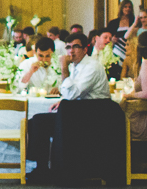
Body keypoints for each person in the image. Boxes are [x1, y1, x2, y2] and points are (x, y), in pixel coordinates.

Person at [25, 34, 111, 177]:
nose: (71, 51)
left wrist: (64, 68)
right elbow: (74, 93)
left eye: (76, 47)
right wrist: (62, 100)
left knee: (40, 121)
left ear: (85, 49)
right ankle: (41, 168)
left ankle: (46, 170)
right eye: (68, 47)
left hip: (94, 115)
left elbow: (72, 94)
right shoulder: (78, 66)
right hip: (81, 111)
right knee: (35, 121)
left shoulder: (91, 66)